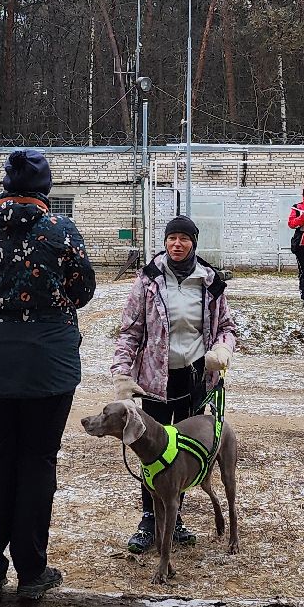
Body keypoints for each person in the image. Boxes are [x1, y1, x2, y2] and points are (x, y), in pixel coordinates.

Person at [0, 149, 95, 601]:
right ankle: (32, 571)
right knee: (37, 462)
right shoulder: (60, 230)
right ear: (45, 187)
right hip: (48, 367)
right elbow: (84, 288)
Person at [110, 214, 238, 555]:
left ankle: (175, 517)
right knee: (151, 453)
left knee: (180, 454)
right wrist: (124, 375)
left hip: (193, 379)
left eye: (183, 238)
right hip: (153, 381)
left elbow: (226, 326)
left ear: (194, 242)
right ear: (165, 242)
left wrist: (222, 350)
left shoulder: (209, 282)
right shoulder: (148, 280)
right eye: (171, 239)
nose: (177, 244)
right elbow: (130, 332)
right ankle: (149, 519)